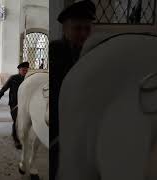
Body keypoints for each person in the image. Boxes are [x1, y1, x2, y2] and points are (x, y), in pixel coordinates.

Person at [50, 0, 96, 179]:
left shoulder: (94, 51)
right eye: (78, 28)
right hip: (60, 124)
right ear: (65, 29)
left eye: (87, 28)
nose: (83, 33)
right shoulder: (55, 51)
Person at [0, 62, 29, 149]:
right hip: (14, 103)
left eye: (26, 70)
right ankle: (16, 140)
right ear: (19, 70)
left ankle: (17, 134)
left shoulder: (28, 79)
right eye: (23, 70)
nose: (25, 72)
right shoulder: (13, 78)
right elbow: (4, 88)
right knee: (16, 121)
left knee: (23, 121)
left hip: (25, 103)